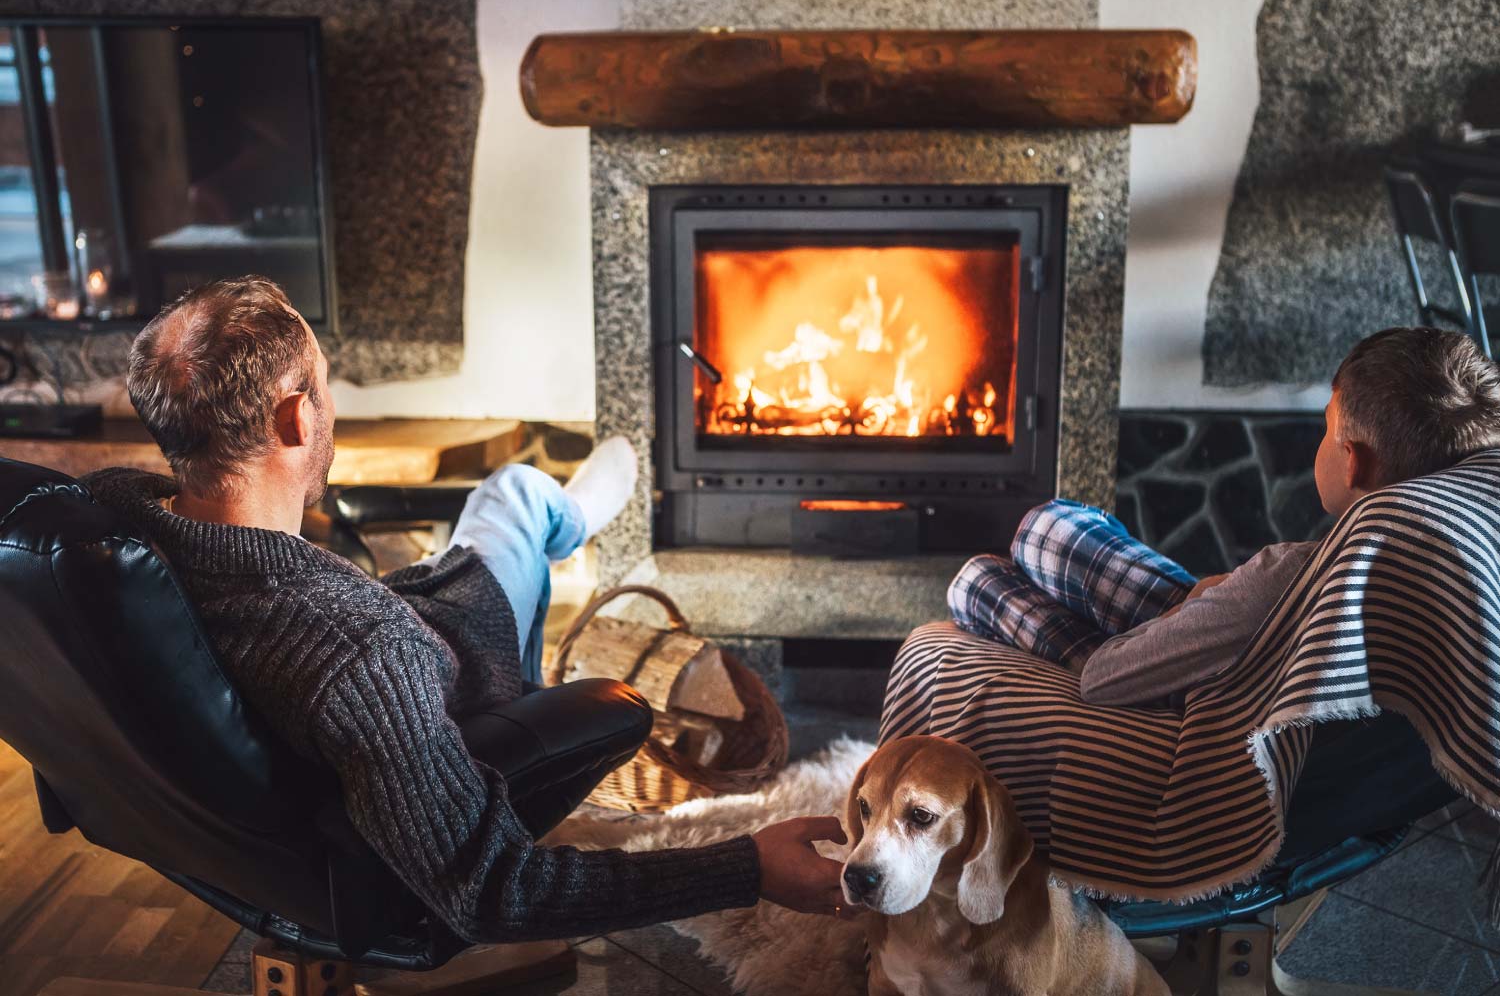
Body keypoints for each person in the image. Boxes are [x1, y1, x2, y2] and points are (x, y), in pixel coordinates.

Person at [84, 276, 849, 944]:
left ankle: (561, 518)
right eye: (325, 385)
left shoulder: (108, 519)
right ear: (294, 421)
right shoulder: (358, 656)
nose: (332, 408)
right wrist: (747, 866)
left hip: (387, 623)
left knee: (502, 505)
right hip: (459, 674)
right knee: (510, 500)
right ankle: (565, 521)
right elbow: (493, 893)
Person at [949, 326, 1500, 709]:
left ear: (1353, 462)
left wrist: (1205, 611)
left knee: (982, 575)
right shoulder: (1466, 546)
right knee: (1045, 529)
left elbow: (1103, 679)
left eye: (1325, 428)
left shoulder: (1287, 580)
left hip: (1185, 684)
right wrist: (1213, 598)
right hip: (1238, 637)